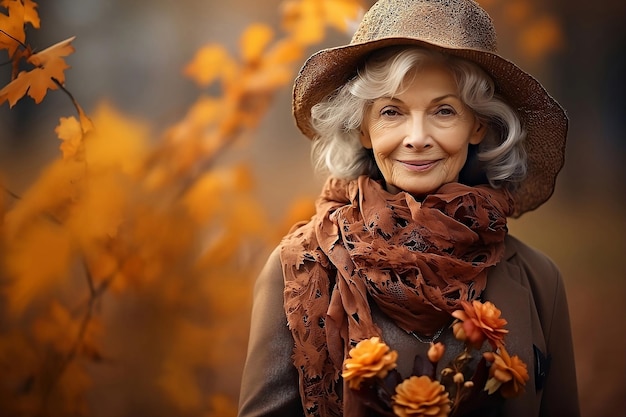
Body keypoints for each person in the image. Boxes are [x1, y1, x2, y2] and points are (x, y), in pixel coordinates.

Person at [238, 0, 580, 416]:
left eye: (443, 110)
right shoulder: (295, 269)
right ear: (363, 128)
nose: (417, 137)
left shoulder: (540, 281)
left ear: (478, 125)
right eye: (391, 112)